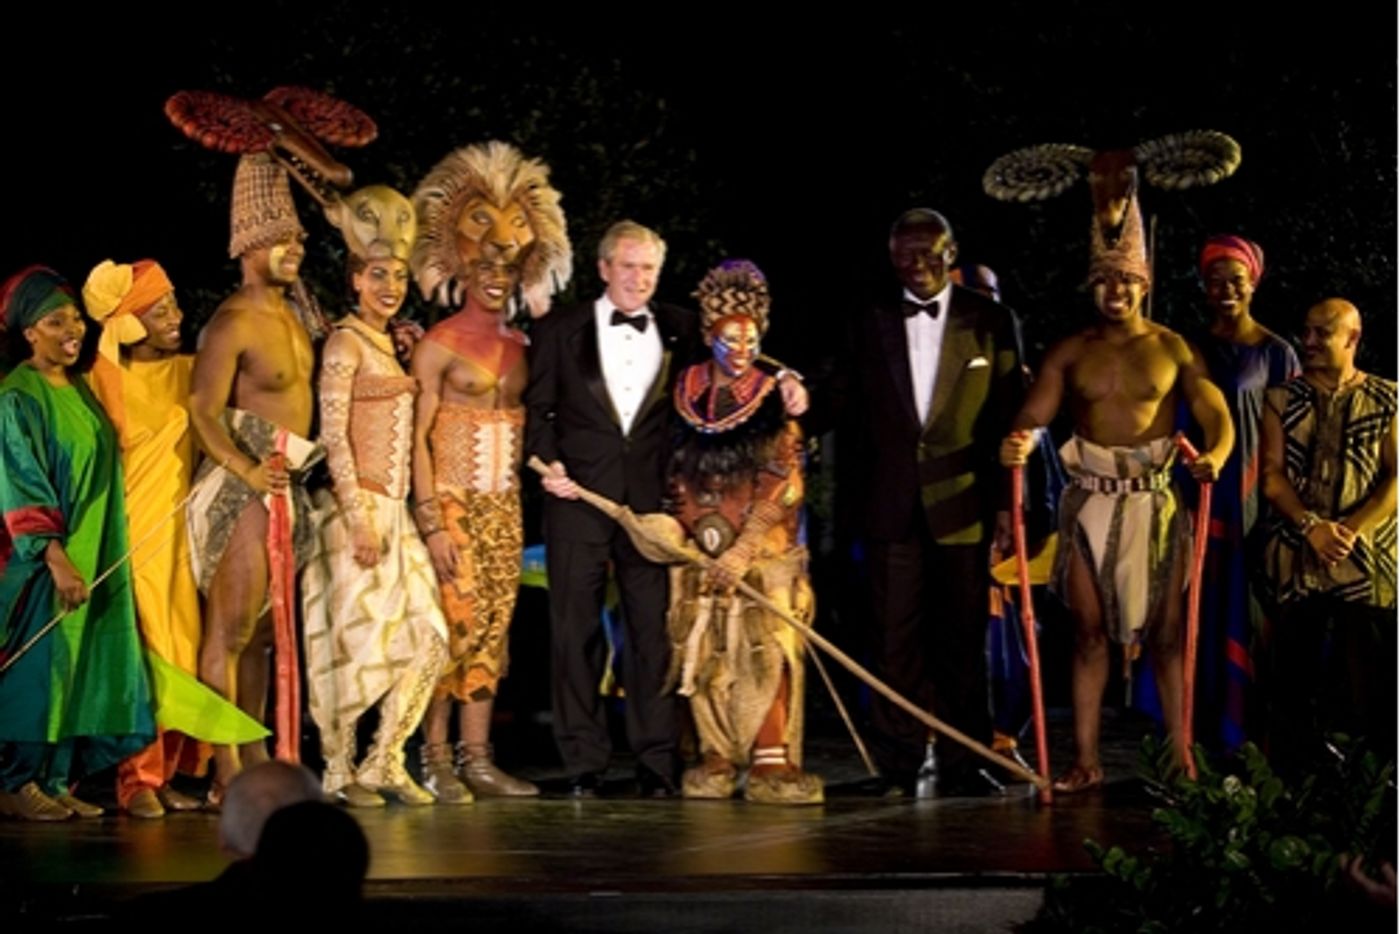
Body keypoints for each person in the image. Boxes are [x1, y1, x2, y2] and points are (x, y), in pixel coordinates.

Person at [1000, 197, 1234, 791]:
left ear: (1145, 283)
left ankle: (1182, 761)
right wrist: (1021, 440)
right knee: (1087, 633)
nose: (1116, 291)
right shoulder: (1071, 350)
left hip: (1155, 503)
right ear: (1092, 285)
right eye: (1105, 280)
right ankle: (1085, 761)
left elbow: (1214, 411)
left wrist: (1217, 456)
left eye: (1127, 280)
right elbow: (1035, 411)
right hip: (1089, 502)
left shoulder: (1174, 347)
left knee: (1168, 635)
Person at [408, 141, 572, 800]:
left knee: (491, 633)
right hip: (449, 504)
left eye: (509, 262)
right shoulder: (438, 343)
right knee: (448, 628)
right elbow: (417, 436)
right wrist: (430, 523)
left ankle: (478, 758)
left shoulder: (525, 347)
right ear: (462, 263)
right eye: (485, 261)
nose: (496, 271)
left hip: (505, 509)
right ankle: (434, 758)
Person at [842, 209, 1026, 796]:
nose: (916, 266)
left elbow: (1007, 415)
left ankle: (962, 758)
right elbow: (843, 403)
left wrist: (1005, 508)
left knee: (961, 639)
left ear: (952, 253)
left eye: (928, 254)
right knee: (892, 639)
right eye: (904, 256)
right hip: (890, 505)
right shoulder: (868, 320)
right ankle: (897, 765)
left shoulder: (992, 320)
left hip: (965, 505)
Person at [301, 186, 448, 808]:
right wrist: (357, 518)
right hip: (354, 510)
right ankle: (337, 767)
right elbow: (332, 435)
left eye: (398, 276)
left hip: (396, 513)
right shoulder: (343, 343)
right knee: (351, 644)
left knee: (430, 638)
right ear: (355, 279)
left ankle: (384, 757)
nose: (390, 286)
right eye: (377, 275)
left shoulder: (391, 341)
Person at [187, 154, 324, 801]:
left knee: (268, 638)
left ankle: (259, 755)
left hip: (288, 485)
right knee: (232, 631)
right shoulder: (232, 321)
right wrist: (243, 469)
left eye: (298, 236)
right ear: (249, 244)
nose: (295, 246)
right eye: (282, 237)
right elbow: (201, 411)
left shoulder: (296, 318)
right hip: (246, 487)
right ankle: (226, 771)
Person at [665, 260, 823, 804]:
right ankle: (715, 751)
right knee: (704, 649)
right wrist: (689, 527)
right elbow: (674, 467)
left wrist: (745, 549)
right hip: (700, 547)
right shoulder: (684, 388)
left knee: (764, 646)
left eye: (751, 337)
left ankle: (770, 755)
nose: (740, 347)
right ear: (709, 335)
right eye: (729, 337)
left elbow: (784, 481)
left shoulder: (776, 395)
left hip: (763, 549)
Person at [0, 266, 154, 820]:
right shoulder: (17, 395)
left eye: (74, 318)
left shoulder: (81, 387)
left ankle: (56, 776)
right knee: (38, 667)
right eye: (54, 320)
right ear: (28, 332)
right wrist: (56, 557)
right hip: (42, 561)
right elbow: (21, 480)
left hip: (92, 550)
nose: (72, 329)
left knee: (77, 666)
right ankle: (16, 781)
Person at [81, 258, 209, 819]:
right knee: (151, 653)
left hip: (188, 536)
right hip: (137, 535)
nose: (175, 317)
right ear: (130, 323)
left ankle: (172, 769)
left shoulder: (195, 370)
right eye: (159, 311)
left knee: (187, 651)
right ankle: (137, 779)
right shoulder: (105, 379)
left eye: (175, 304)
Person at [1259, 298, 1395, 774]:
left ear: (1352, 338)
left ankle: (1376, 794)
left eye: (1322, 334)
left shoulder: (1388, 398)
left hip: (1369, 559)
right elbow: (1271, 476)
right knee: (1292, 681)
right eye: (1306, 332)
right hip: (1298, 555)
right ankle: (1294, 791)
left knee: (1374, 684)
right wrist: (1311, 527)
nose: (1309, 343)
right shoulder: (1281, 399)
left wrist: (1350, 532)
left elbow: (1396, 479)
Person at [1188, 235, 1299, 752]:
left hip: (1253, 498)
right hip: (1198, 492)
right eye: (1215, 279)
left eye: (1236, 278)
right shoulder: (1188, 348)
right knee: (1197, 609)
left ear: (1253, 282)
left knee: (1250, 610)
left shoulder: (1277, 354)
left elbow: (1295, 433)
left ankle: (1248, 736)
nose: (1225, 288)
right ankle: (1196, 732)